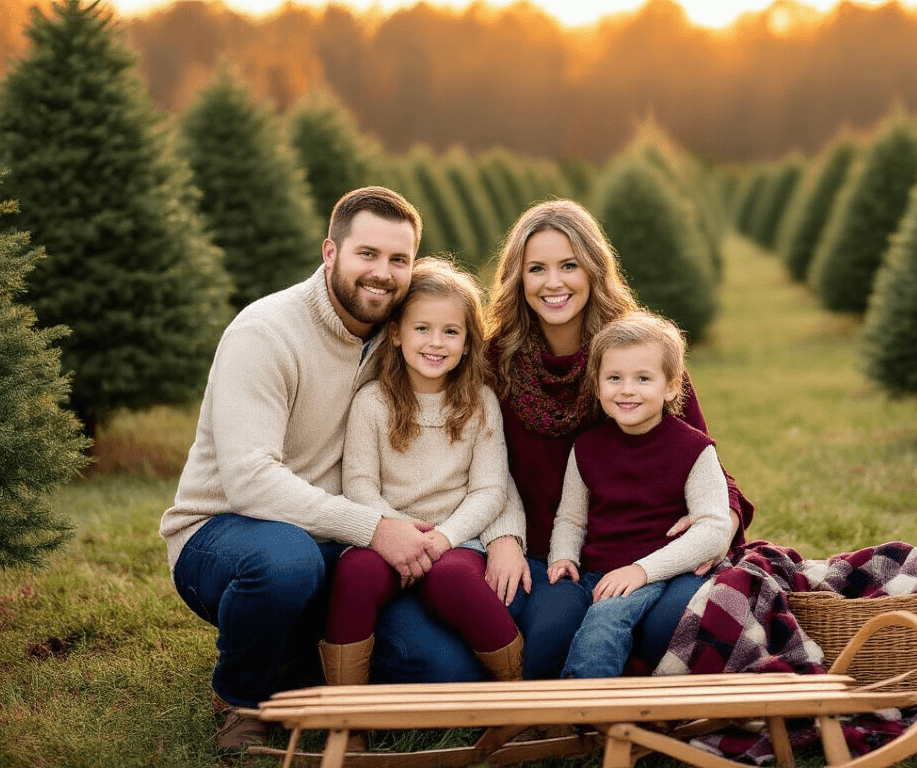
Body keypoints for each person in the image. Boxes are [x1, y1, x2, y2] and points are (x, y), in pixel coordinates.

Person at [372, 199, 754, 681]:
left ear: (593, 270)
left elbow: (703, 462)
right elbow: (479, 470)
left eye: (569, 265)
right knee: (471, 659)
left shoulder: (637, 360)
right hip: (540, 561)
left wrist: (717, 522)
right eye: (537, 268)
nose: (554, 283)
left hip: (647, 555)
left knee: (669, 624)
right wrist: (504, 539)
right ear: (519, 278)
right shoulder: (492, 363)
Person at [159, 187, 442, 752]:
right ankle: (240, 700)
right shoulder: (265, 333)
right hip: (226, 535)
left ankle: (299, 663)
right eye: (367, 254)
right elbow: (250, 481)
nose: (382, 274)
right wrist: (375, 529)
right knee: (285, 563)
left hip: (335, 545)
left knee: (431, 667)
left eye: (398, 260)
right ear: (330, 253)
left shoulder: (404, 336)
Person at [323, 257, 524, 694]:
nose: (436, 342)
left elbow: (490, 490)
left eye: (451, 331)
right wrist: (399, 534)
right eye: (421, 329)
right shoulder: (372, 402)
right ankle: (347, 713)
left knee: (452, 577)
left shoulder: (480, 402)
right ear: (395, 333)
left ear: (469, 342)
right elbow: (359, 485)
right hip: (384, 534)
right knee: (355, 574)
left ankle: (516, 692)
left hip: (455, 539)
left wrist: (443, 538)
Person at [547, 312, 733, 678]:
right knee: (564, 627)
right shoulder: (586, 447)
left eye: (643, 379)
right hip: (597, 571)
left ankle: (586, 712)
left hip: (659, 568)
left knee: (604, 625)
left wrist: (642, 571)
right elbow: (571, 517)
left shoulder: (693, 448)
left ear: (671, 386)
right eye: (614, 378)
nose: (626, 389)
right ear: (597, 384)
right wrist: (562, 556)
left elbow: (713, 527)